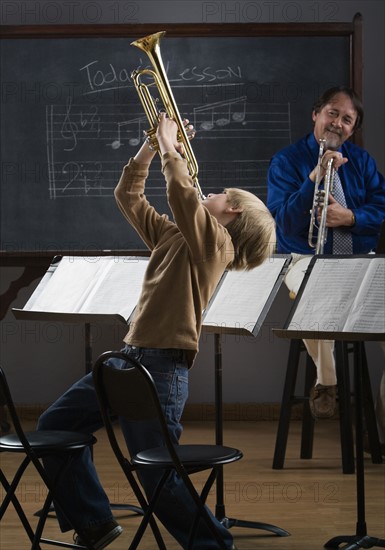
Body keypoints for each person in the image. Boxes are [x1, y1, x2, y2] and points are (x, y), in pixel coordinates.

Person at [37, 112, 276, 550]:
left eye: (222, 194)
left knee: (156, 472)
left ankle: (214, 545)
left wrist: (171, 146)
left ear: (234, 211)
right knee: (55, 426)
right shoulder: (176, 237)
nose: (214, 192)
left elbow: (184, 195)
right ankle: (94, 522)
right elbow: (127, 196)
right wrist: (150, 146)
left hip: (161, 368)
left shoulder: (217, 246)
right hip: (128, 360)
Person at [267, 86, 385, 419]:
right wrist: (314, 177)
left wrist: (351, 217)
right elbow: (284, 223)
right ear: (316, 114)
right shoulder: (286, 161)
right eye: (333, 113)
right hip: (302, 260)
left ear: (352, 129)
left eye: (347, 119)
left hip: (361, 262)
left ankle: (380, 432)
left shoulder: (362, 162)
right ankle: (328, 380)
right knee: (314, 289)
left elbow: (382, 207)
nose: (338, 123)